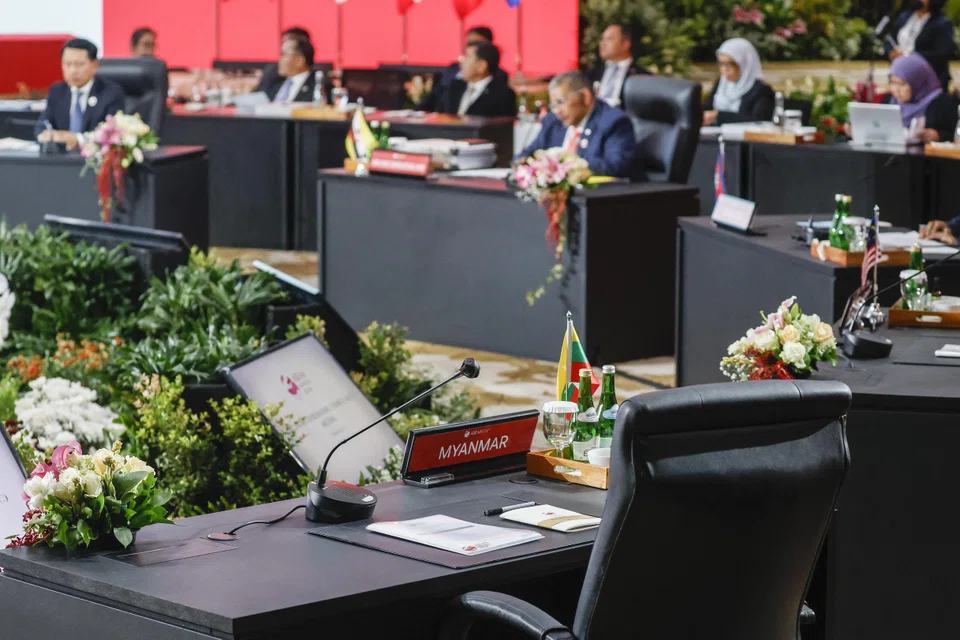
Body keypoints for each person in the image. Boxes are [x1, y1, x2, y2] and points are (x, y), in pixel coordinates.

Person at [517, 71, 639, 180]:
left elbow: (617, 166)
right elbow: (528, 153)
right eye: (553, 105)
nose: (557, 111)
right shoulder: (552, 122)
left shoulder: (614, 122)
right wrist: (523, 162)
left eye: (560, 102)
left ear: (585, 97)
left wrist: (566, 167)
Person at [34, 38, 125, 151]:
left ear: (95, 65)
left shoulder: (110, 92)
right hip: (60, 162)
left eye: (79, 64)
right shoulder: (57, 91)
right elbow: (42, 125)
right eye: (67, 64)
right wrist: (44, 135)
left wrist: (78, 139)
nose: (72, 70)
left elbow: (112, 133)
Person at [417, 26, 508, 112]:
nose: (462, 62)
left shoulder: (501, 92)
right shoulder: (455, 84)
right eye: (468, 43)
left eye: (468, 57)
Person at [883, 53, 957, 143]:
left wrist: (938, 136)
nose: (895, 90)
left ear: (917, 82)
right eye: (893, 82)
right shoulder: (889, 101)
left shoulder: (941, 104)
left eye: (902, 84)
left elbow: (953, 134)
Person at [703, 38, 774, 125]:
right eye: (721, 63)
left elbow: (758, 121)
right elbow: (708, 107)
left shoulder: (761, 91)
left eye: (729, 64)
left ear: (744, 64)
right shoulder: (721, 84)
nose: (724, 69)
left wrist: (718, 116)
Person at [885, 0, 953, 90]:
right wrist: (891, 52)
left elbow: (942, 53)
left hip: (929, 79)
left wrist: (908, 56)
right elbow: (890, 38)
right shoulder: (904, 17)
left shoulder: (942, 23)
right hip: (901, 76)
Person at [438, 41, 516, 117]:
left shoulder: (502, 94)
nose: (462, 62)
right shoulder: (453, 87)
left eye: (467, 57)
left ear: (481, 66)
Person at [586, 24, 649, 108]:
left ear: (626, 44)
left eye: (609, 39)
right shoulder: (592, 73)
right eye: (602, 39)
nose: (602, 43)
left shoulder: (642, 77)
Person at [255, 36, 316, 103]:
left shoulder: (317, 87)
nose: (280, 60)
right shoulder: (274, 81)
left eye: (283, 54)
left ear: (300, 60)